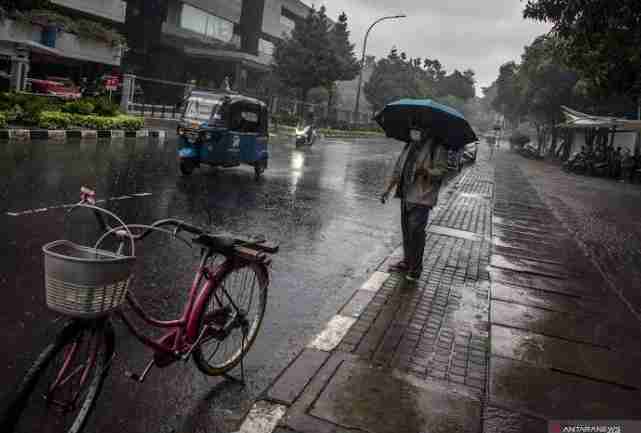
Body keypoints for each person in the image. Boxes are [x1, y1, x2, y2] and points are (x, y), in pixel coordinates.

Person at [380, 127, 449, 282]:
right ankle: (407, 261)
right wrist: (387, 190)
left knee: (416, 234)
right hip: (405, 195)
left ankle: (416, 269)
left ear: (427, 130)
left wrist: (426, 172)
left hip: (421, 197)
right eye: (413, 128)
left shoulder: (437, 147)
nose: (414, 131)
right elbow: (398, 170)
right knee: (406, 232)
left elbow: (442, 171)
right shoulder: (409, 145)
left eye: (418, 129)